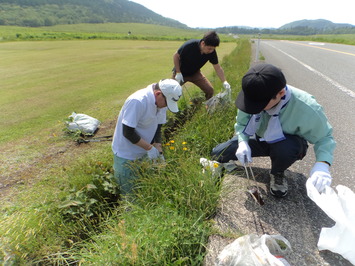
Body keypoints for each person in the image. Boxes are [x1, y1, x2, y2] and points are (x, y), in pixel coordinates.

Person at [211, 63, 336, 198]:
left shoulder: (307, 107)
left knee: (285, 149)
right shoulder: (253, 95)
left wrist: (322, 164)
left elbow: (324, 137)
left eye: (260, 104)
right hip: (259, 138)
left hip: (286, 143)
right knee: (218, 153)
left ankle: (277, 172)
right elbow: (241, 124)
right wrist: (243, 142)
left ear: (280, 93)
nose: (254, 108)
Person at [112, 79, 182, 197]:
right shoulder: (138, 101)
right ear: (158, 94)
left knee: (142, 189)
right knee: (130, 194)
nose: (166, 106)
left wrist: (158, 149)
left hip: (143, 151)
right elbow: (128, 132)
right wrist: (149, 148)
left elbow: (158, 127)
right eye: (166, 103)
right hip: (126, 154)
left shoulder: (162, 103)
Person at [172, 30, 231, 100]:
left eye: (213, 49)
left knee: (210, 90)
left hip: (195, 73)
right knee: (171, 91)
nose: (211, 51)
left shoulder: (212, 52)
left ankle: (207, 108)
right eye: (209, 48)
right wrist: (178, 72)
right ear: (203, 43)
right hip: (180, 74)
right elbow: (176, 56)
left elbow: (217, 67)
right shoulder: (190, 45)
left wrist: (224, 81)